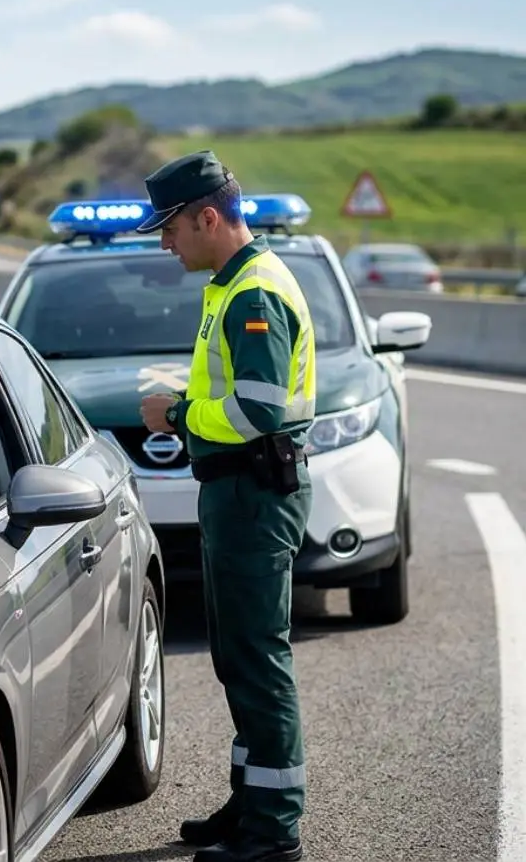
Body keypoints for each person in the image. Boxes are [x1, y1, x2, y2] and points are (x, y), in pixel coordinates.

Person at [135, 150, 316, 862]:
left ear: (207, 217)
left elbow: (258, 410)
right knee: (237, 656)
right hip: (235, 492)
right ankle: (251, 805)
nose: (164, 242)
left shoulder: (252, 293)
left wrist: (178, 415)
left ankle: (273, 833)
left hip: (253, 493)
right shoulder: (229, 283)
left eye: (170, 228)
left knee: (256, 658)